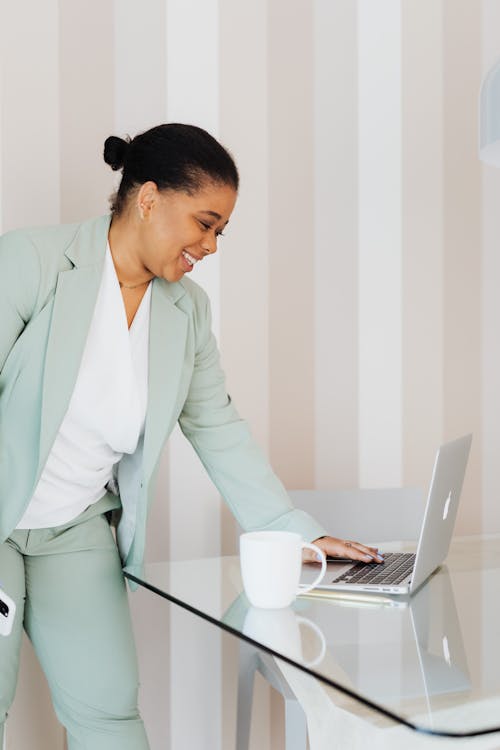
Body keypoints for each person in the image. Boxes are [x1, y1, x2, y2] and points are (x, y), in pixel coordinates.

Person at [0, 123, 383, 748]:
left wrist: (297, 531)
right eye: (204, 223)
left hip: (73, 531)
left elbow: (218, 427)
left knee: (110, 711)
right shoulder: (31, 262)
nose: (210, 245)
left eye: (219, 231)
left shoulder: (186, 313)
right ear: (148, 198)